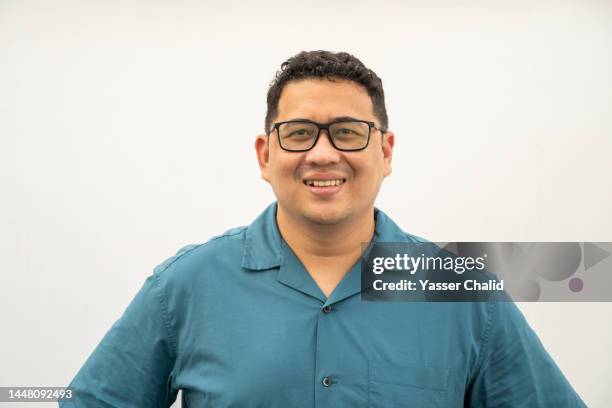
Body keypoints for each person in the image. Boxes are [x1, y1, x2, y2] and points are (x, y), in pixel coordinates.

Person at [61, 50, 586, 407]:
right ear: (266, 156)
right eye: (299, 133)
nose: (322, 153)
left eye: (348, 132)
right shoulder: (184, 287)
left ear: (385, 151)